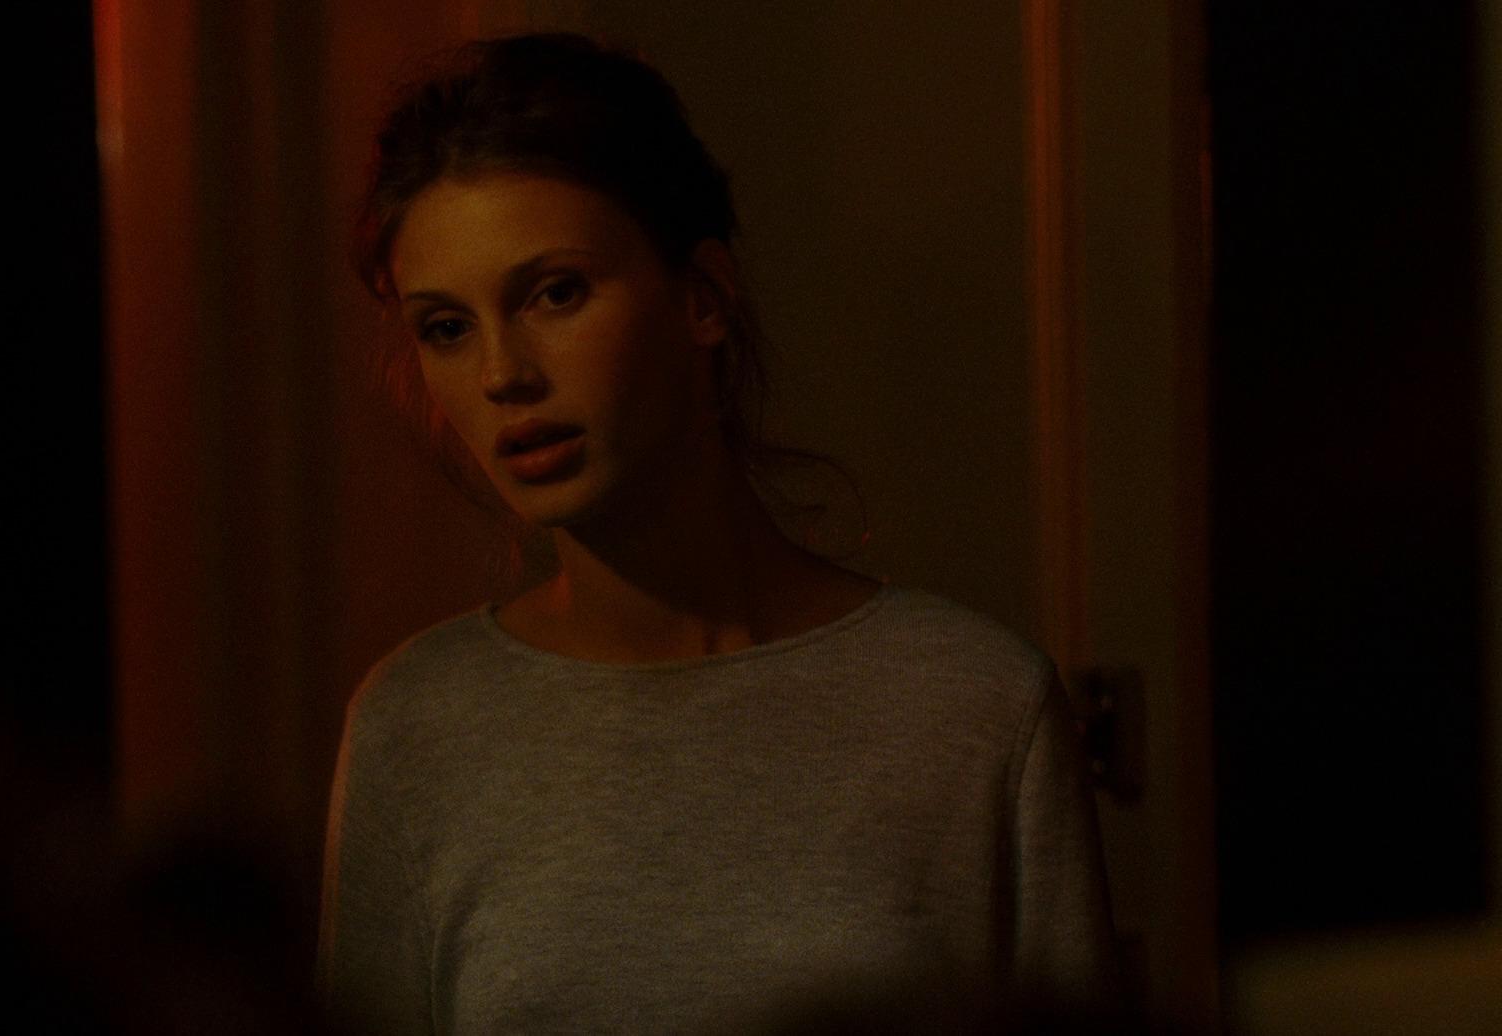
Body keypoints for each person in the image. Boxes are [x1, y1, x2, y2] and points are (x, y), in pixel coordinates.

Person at [317, 32, 1117, 1035]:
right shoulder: (418, 726)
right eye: (447, 327)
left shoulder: (972, 707)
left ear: (701, 298)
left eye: (556, 293)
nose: (502, 374)